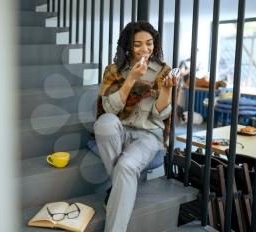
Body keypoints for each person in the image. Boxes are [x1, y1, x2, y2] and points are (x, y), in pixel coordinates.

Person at [93, 21, 178, 232]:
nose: (145, 49)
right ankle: (121, 184)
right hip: (119, 130)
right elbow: (108, 109)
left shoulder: (162, 72)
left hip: (148, 135)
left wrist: (166, 92)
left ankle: (117, 194)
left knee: (126, 167)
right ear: (129, 46)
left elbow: (161, 116)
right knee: (104, 124)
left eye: (149, 43)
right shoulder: (113, 71)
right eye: (138, 44)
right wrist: (130, 79)